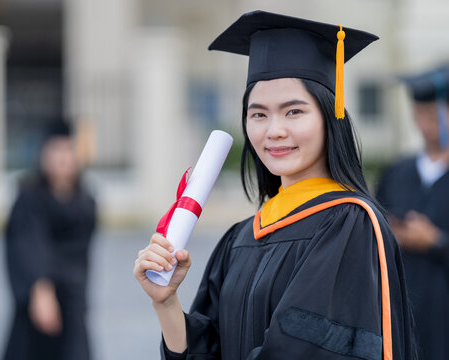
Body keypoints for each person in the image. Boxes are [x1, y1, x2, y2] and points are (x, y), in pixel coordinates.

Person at [133, 10, 416, 360]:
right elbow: (208, 351)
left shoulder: (348, 225)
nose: (274, 130)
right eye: (259, 114)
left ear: (330, 115)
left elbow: (302, 351)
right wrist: (166, 302)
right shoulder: (240, 238)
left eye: (294, 111)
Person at [2, 120, 97, 360]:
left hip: (73, 300)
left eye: (68, 150)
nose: (63, 158)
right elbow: (27, 245)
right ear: (43, 155)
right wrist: (40, 289)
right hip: (40, 302)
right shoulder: (29, 198)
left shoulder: (86, 202)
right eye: (55, 150)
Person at [376, 67, 449, 360]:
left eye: (434, 115)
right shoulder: (397, 172)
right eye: (420, 115)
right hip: (400, 319)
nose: (426, 124)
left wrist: (437, 242)